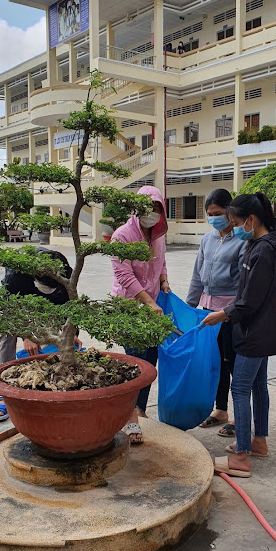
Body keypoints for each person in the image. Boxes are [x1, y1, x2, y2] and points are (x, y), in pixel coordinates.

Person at [202, 193, 276, 478]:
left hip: (254, 331)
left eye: (236, 222)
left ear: (250, 220)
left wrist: (222, 314)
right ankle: (258, 442)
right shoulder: (264, 244)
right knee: (258, 385)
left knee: (240, 388)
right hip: (263, 329)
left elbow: (249, 300)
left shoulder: (263, 250)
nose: (234, 227)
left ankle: (241, 457)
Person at [0, 248, 83, 421]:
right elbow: (10, 311)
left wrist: (71, 334)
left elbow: (69, 308)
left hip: (51, 303)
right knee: (6, 333)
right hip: (18, 303)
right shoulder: (16, 276)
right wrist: (27, 335)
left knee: (58, 332)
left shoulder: (65, 274)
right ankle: (3, 391)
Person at [110, 186, 169, 444]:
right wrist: (147, 301)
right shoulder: (122, 236)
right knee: (135, 360)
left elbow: (162, 261)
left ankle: (140, 409)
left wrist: (164, 281)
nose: (152, 214)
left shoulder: (157, 235)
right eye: (148, 209)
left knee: (151, 359)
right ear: (136, 209)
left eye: (157, 209)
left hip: (154, 304)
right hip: (130, 307)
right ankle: (129, 417)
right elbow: (123, 275)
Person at [186, 189, 245, 435]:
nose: (213, 219)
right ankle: (221, 410)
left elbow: (244, 283)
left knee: (234, 364)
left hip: (231, 313)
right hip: (208, 311)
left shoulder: (242, 240)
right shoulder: (207, 239)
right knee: (216, 362)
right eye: (209, 215)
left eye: (218, 214)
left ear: (230, 212)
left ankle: (241, 419)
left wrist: (230, 311)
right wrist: (189, 306)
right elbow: (197, 275)